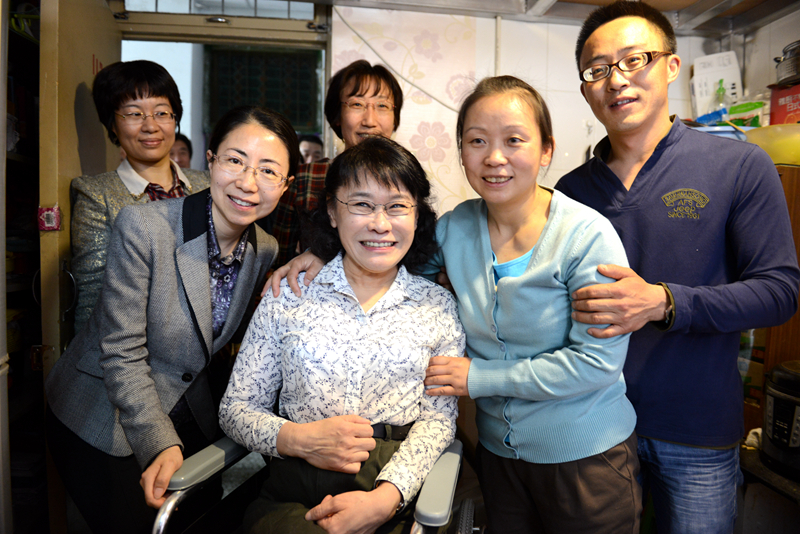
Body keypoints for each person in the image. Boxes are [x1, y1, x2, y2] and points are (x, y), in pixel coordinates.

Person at [268, 76, 642, 534]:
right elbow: (390, 267)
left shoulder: (586, 236)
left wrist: (477, 377)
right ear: (461, 151)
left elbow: (596, 363)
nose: (494, 157)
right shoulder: (454, 228)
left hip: (586, 458)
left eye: (514, 140)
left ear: (546, 150)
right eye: (477, 141)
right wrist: (322, 254)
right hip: (499, 458)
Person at [554, 2, 800, 533]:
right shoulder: (570, 192)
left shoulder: (738, 165)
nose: (616, 79)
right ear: (585, 90)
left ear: (671, 65)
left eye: (633, 59)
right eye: (598, 69)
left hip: (697, 432)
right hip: (592, 428)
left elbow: (779, 291)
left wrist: (664, 302)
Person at [46, 105, 298, 534]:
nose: (248, 182)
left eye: (268, 170)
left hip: (185, 403)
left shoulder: (266, 248)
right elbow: (121, 351)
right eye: (235, 160)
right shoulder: (144, 227)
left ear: (286, 184)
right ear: (211, 161)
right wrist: (158, 440)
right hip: (102, 406)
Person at [220, 136, 465, 534]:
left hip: (392, 491)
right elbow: (236, 408)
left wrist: (386, 498)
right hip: (293, 492)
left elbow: (438, 421)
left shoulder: (437, 305)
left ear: (417, 215)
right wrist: (298, 440)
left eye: (397, 206)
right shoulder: (289, 293)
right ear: (333, 211)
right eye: (362, 205)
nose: (380, 224)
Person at [71, 60, 210, 334]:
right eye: (134, 114)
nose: (151, 126)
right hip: (133, 348)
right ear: (112, 125)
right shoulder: (96, 195)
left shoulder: (207, 185)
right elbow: (93, 299)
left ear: (175, 118)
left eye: (161, 113)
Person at [270, 59, 403, 268]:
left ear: (394, 118)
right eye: (357, 104)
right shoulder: (306, 178)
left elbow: (418, 258)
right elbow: (277, 259)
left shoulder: (407, 180)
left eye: (382, 106)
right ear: (338, 115)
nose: (370, 121)